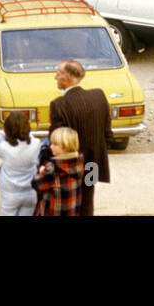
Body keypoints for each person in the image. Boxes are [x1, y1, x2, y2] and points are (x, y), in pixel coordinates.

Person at [49, 59, 111, 216]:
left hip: (70, 166)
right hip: (95, 161)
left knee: (68, 203)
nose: (55, 77)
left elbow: (56, 138)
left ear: (68, 77)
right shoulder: (99, 96)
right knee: (88, 201)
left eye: (58, 74)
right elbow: (107, 133)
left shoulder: (59, 104)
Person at [0, 110, 41, 216]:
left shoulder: (4, 147)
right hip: (30, 191)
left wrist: (2, 135)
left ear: (7, 130)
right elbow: (30, 138)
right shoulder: (36, 144)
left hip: (10, 194)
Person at [33, 125, 85, 216]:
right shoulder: (79, 162)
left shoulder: (53, 168)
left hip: (53, 211)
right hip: (71, 211)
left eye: (54, 144)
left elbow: (36, 183)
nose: (50, 146)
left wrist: (41, 170)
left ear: (65, 146)